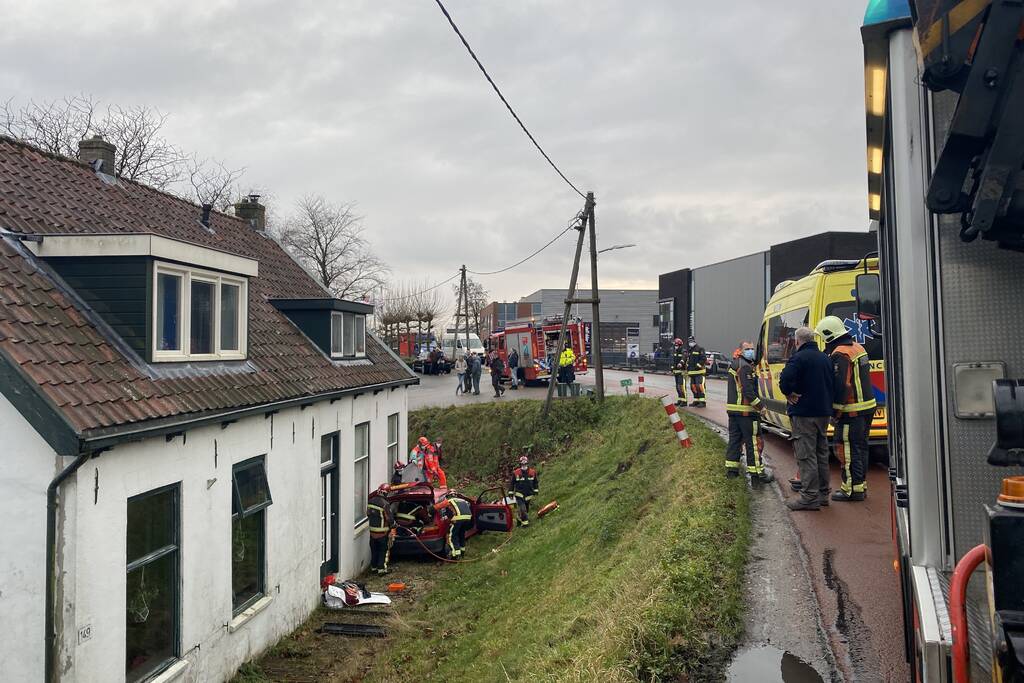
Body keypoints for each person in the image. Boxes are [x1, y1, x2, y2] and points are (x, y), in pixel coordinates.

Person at [816, 316, 876, 502]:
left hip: (852, 410)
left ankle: (851, 489)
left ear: (828, 336)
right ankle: (860, 485)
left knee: (847, 450)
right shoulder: (858, 348)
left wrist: (835, 411)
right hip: (867, 407)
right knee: (860, 448)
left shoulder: (840, 354)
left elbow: (842, 386)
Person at [779, 327, 835, 511]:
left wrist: (788, 393)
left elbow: (785, 378)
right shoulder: (825, 358)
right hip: (823, 413)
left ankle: (809, 497)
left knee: (806, 455)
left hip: (804, 413)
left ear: (797, 341)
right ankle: (822, 494)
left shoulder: (799, 358)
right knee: (821, 453)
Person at [726, 341, 773, 482]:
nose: (751, 351)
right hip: (746, 412)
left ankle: (731, 471)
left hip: (734, 411)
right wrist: (761, 407)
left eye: (752, 348)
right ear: (740, 350)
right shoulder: (745, 367)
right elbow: (748, 391)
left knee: (735, 440)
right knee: (753, 442)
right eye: (747, 349)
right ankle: (757, 474)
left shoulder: (735, 363)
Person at [434, 491, 474, 558]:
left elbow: (436, 507)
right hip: (468, 518)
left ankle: (455, 555)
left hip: (458, 519)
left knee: (452, 537)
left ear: (448, 496)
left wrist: (430, 512)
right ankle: (462, 553)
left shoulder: (449, 500)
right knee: (461, 535)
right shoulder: (463, 500)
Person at [367, 484, 395, 575]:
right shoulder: (385, 504)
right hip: (382, 532)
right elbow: (389, 519)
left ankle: (373, 568)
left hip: (372, 532)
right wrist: (394, 525)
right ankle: (382, 570)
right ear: (386, 493)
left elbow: (368, 514)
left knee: (374, 550)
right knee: (383, 551)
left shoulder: (370, 501)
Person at [508, 455, 539, 526]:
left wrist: (536, 490)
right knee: (523, 509)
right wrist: (510, 493)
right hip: (519, 495)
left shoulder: (532, 472)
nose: (524, 465)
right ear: (520, 464)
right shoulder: (516, 473)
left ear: (527, 463)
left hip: (529, 495)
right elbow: (512, 483)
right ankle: (525, 524)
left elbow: (535, 482)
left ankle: (519, 518)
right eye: (522, 463)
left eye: (525, 463)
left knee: (526, 510)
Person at [686, 336, 707, 407]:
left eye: (691, 341)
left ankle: (702, 401)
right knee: (693, 387)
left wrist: (698, 365)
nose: (690, 342)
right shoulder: (690, 350)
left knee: (699, 386)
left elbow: (703, 358)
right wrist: (688, 369)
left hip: (699, 372)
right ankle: (696, 400)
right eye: (689, 341)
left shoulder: (700, 349)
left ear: (694, 341)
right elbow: (688, 360)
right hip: (692, 373)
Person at [672, 338, 687, 406]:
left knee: (681, 387)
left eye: (677, 345)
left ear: (680, 345)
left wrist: (681, 363)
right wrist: (672, 368)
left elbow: (684, 357)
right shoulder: (675, 351)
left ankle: (684, 401)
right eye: (675, 345)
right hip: (676, 372)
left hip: (682, 372)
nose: (676, 346)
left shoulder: (683, 351)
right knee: (677, 387)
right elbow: (674, 361)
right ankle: (680, 400)